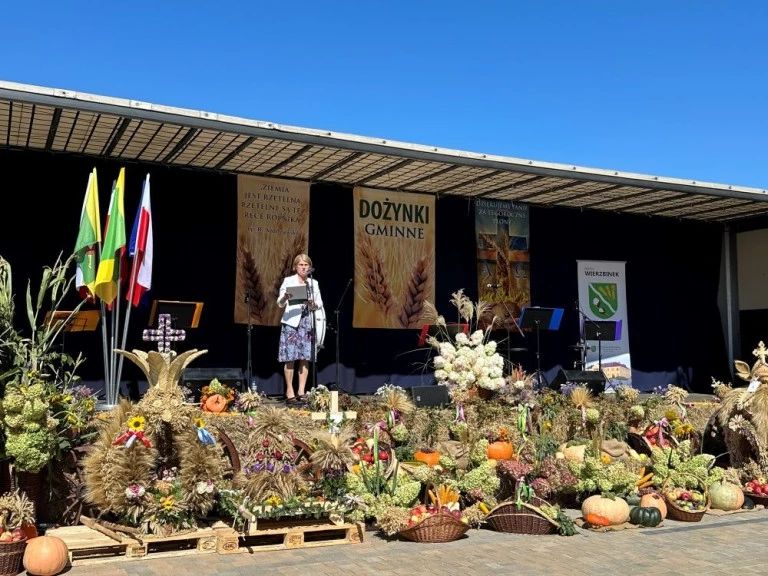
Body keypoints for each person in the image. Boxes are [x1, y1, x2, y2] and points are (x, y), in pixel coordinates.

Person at [276, 254, 323, 405]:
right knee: (290, 357)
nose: (304, 267)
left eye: (306, 265)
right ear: (296, 267)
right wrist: (285, 297)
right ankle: (289, 391)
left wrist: (313, 303)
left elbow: (319, 304)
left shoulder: (313, 283)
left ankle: (301, 391)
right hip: (291, 322)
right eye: (301, 265)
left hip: (307, 322)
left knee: (305, 357)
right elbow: (280, 303)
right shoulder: (288, 281)